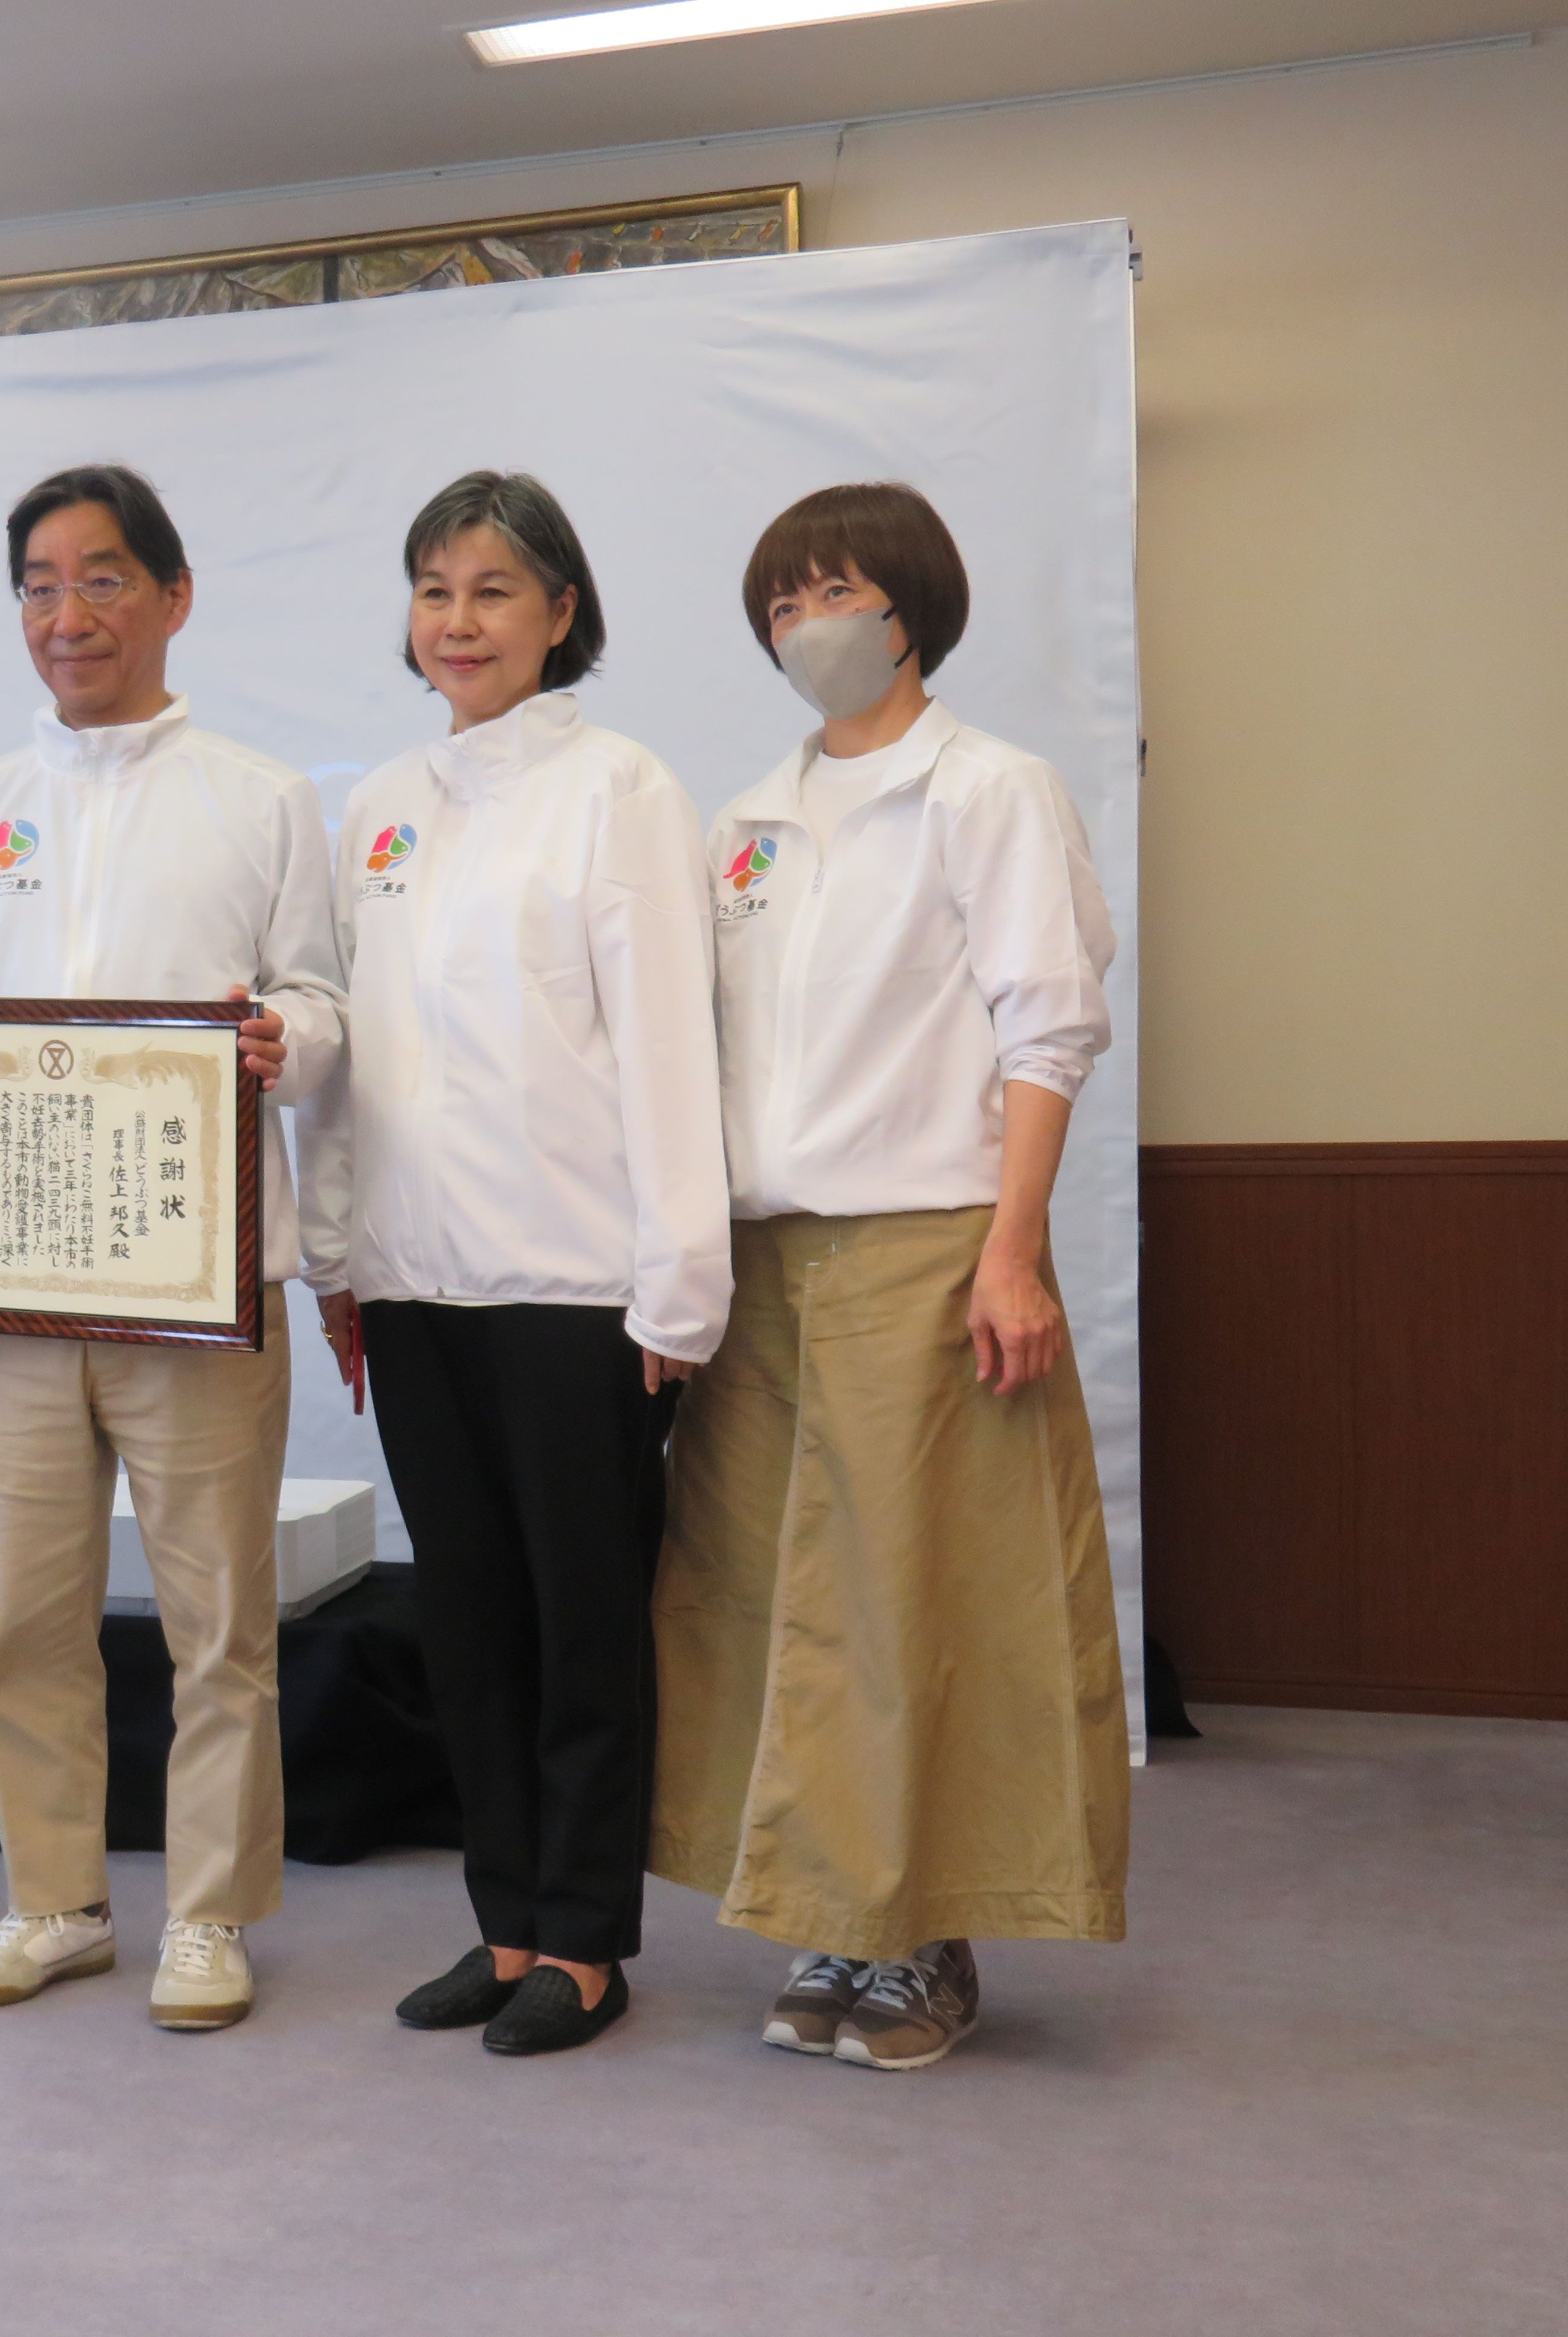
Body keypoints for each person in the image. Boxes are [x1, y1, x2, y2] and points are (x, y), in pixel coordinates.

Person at [648, 480, 1128, 2071]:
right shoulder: (744, 825)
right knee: (769, 1599)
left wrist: (1014, 1251)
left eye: (835, 592)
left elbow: (1047, 1027)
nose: (808, 624)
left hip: (927, 1247)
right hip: (762, 1262)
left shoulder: (990, 790)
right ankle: (830, 1914)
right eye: (782, 604)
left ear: (912, 607)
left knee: (914, 1596)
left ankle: (926, 1936)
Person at [0, 463, 346, 2032]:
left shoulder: (260, 797)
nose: (66, 613)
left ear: (173, 597)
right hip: (19, 1293)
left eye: (99, 579)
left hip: (198, 1288)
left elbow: (321, 1001)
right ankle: (56, 1901)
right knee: (31, 1617)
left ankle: (208, 1916)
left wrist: (287, 1038)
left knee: (220, 1624)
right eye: (38, 584)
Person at [300, 471, 728, 2057]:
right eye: (434, 590)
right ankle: (504, 1926)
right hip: (418, 1281)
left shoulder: (623, 788)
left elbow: (670, 1049)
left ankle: (587, 1941)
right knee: (469, 1620)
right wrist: (337, 1260)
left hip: (577, 1286)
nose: (459, 621)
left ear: (561, 611)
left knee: (584, 1623)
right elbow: (353, 1057)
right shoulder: (380, 803)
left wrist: (678, 1286)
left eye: (492, 590)